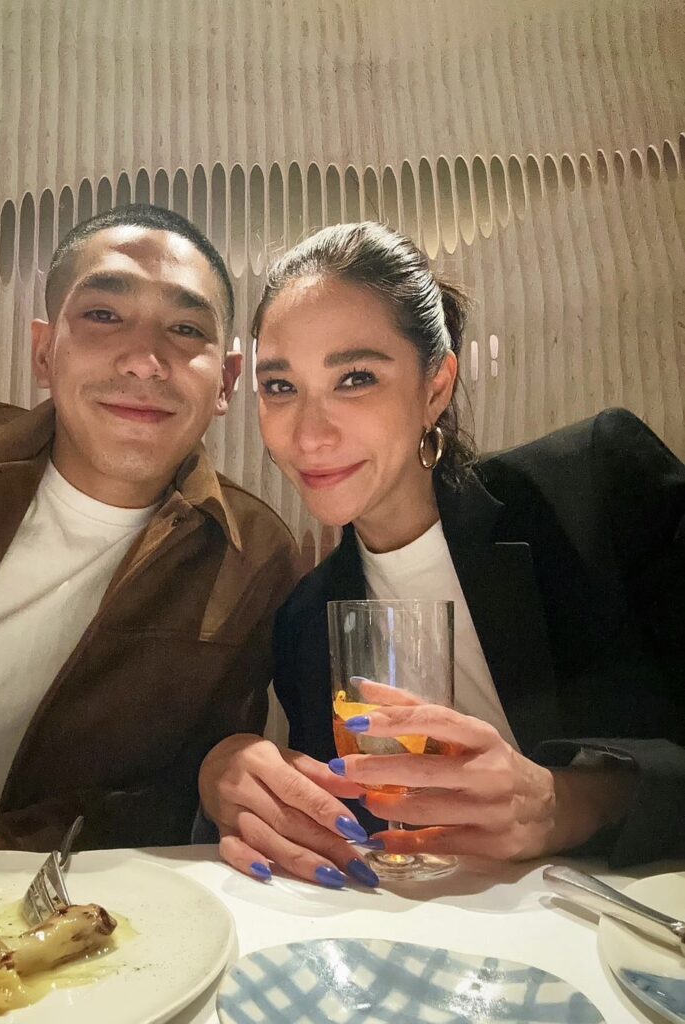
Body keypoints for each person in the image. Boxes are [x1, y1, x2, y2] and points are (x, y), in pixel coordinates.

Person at [199, 221, 685, 889]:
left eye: (355, 378)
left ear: (436, 386)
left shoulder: (595, 488)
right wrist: (228, 776)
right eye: (280, 387)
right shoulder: (305, 621)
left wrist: (568, 801)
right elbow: (358, 835)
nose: (309, 434)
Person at [0, 204, 298, 865]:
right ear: (45, 351)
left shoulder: (250, 558)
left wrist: (13, 847)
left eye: (185, 328)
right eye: (104, 315)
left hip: (14, 911)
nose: (144, 361)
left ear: (227, 381)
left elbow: (171, 791)